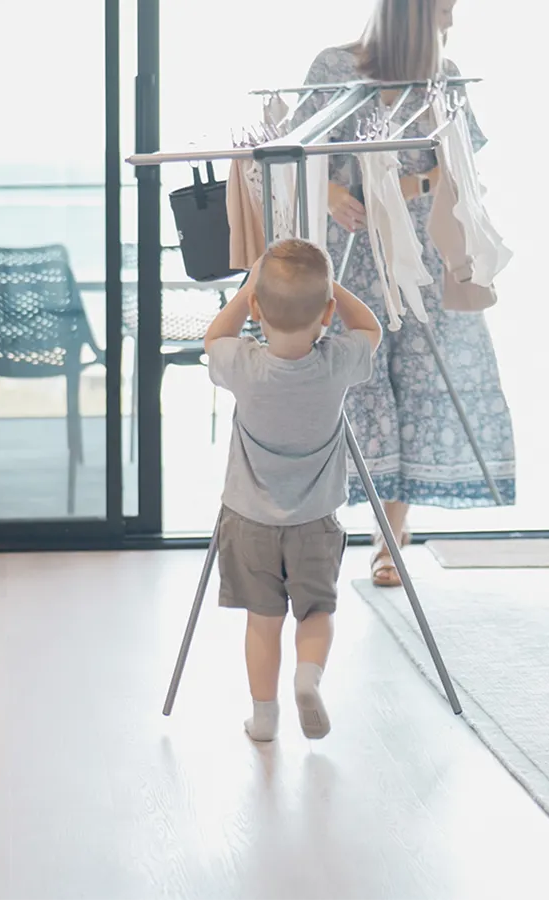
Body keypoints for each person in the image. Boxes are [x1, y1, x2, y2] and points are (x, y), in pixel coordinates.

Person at [297, 0, 517, 588]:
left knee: (421, 384)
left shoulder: (443, 78)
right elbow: (295, 156)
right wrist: (329, 197)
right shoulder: (332, 68)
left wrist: (397, 186)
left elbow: (460, 167)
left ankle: (391, 541)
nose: (451, 22)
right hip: (351, 257)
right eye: (443, 10)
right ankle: (327, 526)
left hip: (421, 251)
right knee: (356, 385)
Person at [202, 238, 383, 742]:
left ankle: (264, 719)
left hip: (249, 522)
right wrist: (332, 289)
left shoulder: (244, 365)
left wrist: (248, 288)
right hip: (315, 523)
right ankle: (309, 676)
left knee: (263, 621)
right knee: (316, 612)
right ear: (326, 312)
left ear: (258, 307)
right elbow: (371, 328)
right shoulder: (337, 365)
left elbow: (215, 335)